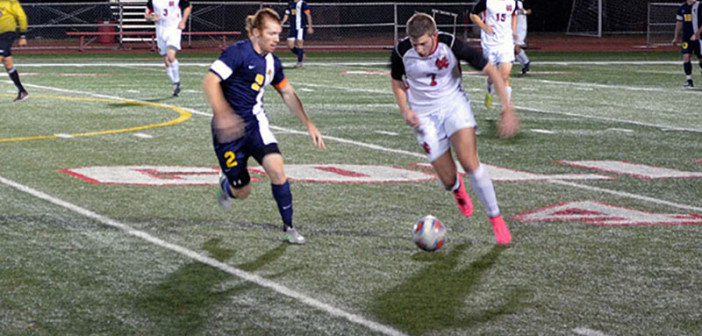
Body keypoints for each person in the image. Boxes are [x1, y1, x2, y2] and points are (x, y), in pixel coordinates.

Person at [390, 13, 519, 245]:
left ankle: (496, 217)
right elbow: (396, 80)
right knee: (448, 180)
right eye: (414, 44)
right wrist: (405, 110)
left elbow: (491, 71)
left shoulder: (451, 45)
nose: (419, 49)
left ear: (434, 35)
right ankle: (458, 188)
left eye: (424, 43)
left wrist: (507, 108)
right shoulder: (401, 51)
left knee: (469, 162)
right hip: (424, 117)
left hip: (453, 105)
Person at [203, 8, 326, 245]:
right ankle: (226, 186)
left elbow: (288, 93)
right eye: (271, 34)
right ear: (257, 33)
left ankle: (289, 227)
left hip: (256, 126)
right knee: (243, 192)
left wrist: (309, 124)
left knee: (278, 170)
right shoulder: (237, 53)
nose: (276, 39)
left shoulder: (272, 62)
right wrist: (224, 115)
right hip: (227, 134)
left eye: (278, 34)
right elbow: (210, 82)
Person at [470, 0, 517, 109]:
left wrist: (514, 31)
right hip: (490, 44)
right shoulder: (487, 2)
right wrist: (484, 26)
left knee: (505, 76)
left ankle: (505, 109)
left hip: (506, 42)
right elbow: (473, 14)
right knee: (492, 77)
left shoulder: (512, 2)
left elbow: (514, 15)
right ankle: (489, 92)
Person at [145, 0, 192, 96]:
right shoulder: (153, 2)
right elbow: (146, 15)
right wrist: (151, 17)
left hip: (174, 29)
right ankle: (175, 83)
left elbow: (188, 6)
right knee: (166, 61)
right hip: (161, 30)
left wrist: (183, 21)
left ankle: (177, 81)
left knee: (171, 56)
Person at [0, 0, 29, 102]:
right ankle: (22, 91)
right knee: (8, 65)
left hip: (6, 35)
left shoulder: (11, 2)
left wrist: (22, 35)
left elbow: (22, 17)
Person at [672, 0, 702, 88]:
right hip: (686, 37)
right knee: (686, 56)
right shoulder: (682, 8)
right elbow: (679, 22)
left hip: (699, 37)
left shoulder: (700, 6)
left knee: (700, 58)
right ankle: (689, 80)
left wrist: (697, 34)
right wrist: (676, 37)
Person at [281, 0, 313, 68]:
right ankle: (301, 54)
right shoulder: (290, 3)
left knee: (299, 43)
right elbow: (287, 14)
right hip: (292, 27)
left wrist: (310, 26)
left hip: (300, 27)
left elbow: (308, 15)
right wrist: (282, 23)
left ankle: (299, 62)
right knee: (290, 45)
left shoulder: (303, 3)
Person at [514, 0, 531, 74]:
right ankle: (525, 64)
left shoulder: (519, 3)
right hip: (514, 28)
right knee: (513, 49)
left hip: (520, 28)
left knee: (516, 47)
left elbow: (528, 11)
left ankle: (526, 62)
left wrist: (524, 12)